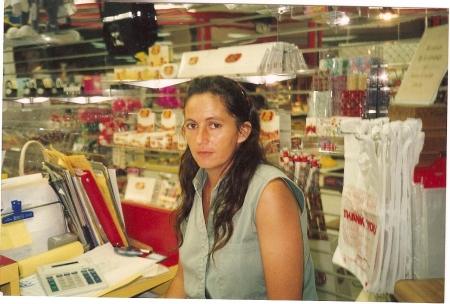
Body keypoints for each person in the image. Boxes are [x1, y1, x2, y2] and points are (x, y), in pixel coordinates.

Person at [165, 75, 316, 300]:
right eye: (192, 125)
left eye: (214, 125)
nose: (200, 138)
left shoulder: (269, 194)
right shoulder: (197, 182)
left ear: (243, 132)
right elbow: (184, 277)